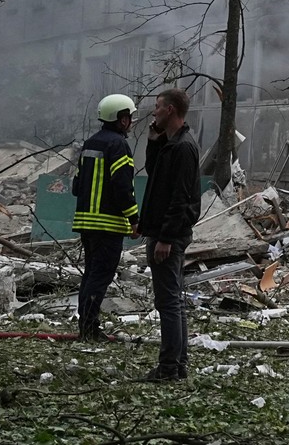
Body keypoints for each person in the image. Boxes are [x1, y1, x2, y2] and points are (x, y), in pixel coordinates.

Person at [136, 87, 203, 382]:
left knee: (168, 302)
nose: (154, 112)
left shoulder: (184, 148)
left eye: (158, 107)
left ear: (171, 110)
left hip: (169, 237)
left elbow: (181, 197)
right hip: (163, 231)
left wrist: (165, 237)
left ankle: (169, 367)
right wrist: (153, 140)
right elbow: (154, 174)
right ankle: (177, 364)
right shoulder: (171, 144)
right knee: (172, 300)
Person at [73, 94, 139, 341]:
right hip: (108, 224)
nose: (131, 122)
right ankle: (89, 331)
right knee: (100, 277)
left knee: (90, 275)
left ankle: (86, 327)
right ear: (121, 119)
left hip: (85, 223)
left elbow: (76, 186)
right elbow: (122, 186)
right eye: (129, 117)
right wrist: (134, 217)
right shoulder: (118, 145)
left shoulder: (90, 143)